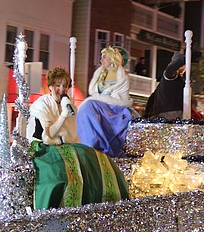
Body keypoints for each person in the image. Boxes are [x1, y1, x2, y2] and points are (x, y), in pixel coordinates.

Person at [26, 67, 129, 210]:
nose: (62, 89)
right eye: (58, 85)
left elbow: (72, 135)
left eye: (65, 86)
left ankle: (102, 201)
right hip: (43, 147)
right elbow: (48, 135)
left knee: (91, 156)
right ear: (50, 87)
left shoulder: (70, 106)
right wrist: (63, 116)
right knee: (60, 172)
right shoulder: (42, 104)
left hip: (65, 146)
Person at [76, 46, 134, 157]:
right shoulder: (99, 74)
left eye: (104, 57)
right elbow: (94, 93)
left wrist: (105, 99)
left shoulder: (122, 77)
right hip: (99, 106)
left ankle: (99, 145)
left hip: (115, 109)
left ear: (112, 59)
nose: (101, 60)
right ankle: (89, 143)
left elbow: (122, 98)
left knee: (88, 105)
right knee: (86, 109)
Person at [144, 50, 186, 120]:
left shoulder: (174, 79)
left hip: (168, 111)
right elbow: (170, 69)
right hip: (169, 113)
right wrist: (185, 60)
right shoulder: (170, 77)